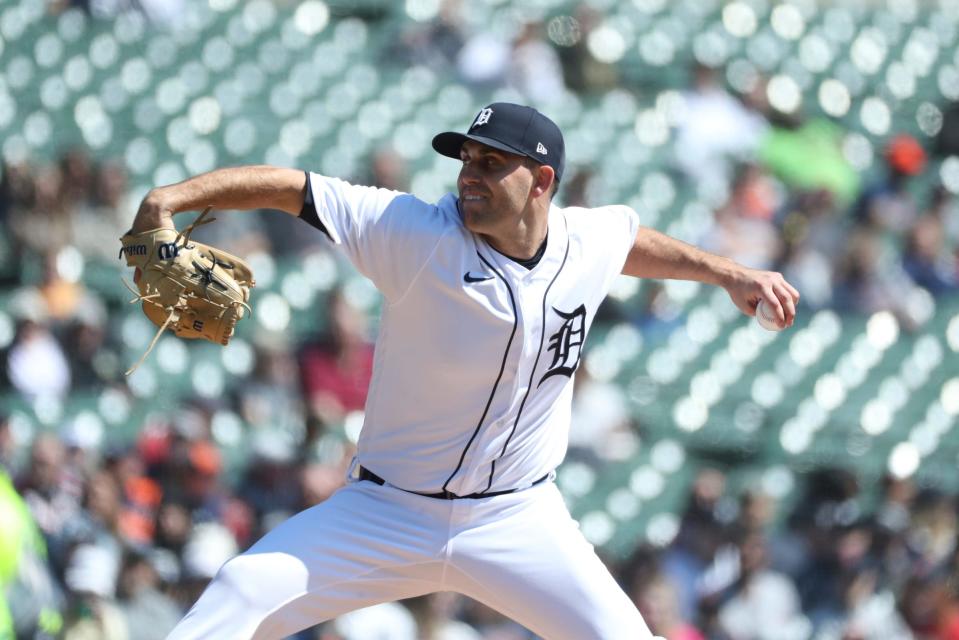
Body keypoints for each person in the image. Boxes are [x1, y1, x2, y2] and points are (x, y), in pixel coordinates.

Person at [128, 102, 799, 639]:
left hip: (517, 517)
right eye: (465, 159)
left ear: (541, 183)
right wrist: (172, 198)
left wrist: (728, 272)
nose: (467, 174)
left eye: (490, 162)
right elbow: (291, 189)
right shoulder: (414, 234)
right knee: (242, 592)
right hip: (386, 511)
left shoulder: (586, 239)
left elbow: (629, 243)